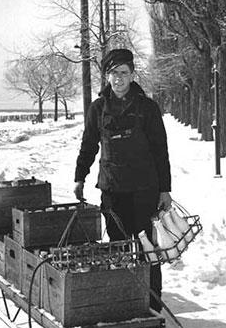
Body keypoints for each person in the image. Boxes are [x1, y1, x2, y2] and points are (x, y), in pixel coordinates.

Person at [73, 48, 172, 314]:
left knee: (145, 247)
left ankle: (152, 304)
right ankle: (123, 302)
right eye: (114, 73)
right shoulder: (97, 109)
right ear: (107, 76)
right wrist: (79, 176)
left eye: (124, 73)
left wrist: (165, 189)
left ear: (132, 75)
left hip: (144, 190)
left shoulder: (147, 108)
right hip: (112, 190)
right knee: (117, 247)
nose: (118, 78)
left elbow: (161, 151)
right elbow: (88, 145)